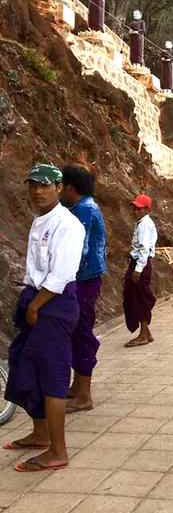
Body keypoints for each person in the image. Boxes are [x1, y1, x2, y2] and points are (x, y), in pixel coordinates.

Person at [3, 164, 85, 472]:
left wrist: (35, 307)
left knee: (52, 374)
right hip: (35, 298)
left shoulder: (68, 224)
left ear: (59, 187)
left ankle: (58, 450)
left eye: (45, 185)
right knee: (24, 363)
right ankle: (40, 433)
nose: (38, 190)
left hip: (54, 303)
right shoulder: (41, 220)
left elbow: (60, 276)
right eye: (33, 185)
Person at [60, 166, 107, 413]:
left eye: (61, 186)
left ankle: (84, 395)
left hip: (83, 279)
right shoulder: (84, 207)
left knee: (81, 333)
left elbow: (81, 248)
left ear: (69, 187)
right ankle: (78, 388)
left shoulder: (84, 210)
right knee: (77, 332)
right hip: (85, 278)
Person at [123, 194, 157, 347]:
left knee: (139, 298)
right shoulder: (142, 223)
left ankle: (143, 334)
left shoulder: (144, 225)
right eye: (134, 208)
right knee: (136, 296)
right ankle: (146, 332)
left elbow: (144, 249)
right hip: (139, 262)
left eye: (139, 209)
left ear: (147, 210)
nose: (135, 211)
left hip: (140, 264)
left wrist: (138, 269)